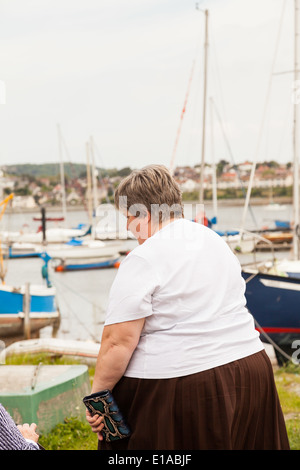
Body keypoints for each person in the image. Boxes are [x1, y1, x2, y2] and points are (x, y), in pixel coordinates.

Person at [86, 164, 290, 450]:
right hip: (250, 366)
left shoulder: (144, 258)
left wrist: (97, 396)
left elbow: (117, 342)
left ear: (141, 214)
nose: (129, 229)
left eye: (128, 218)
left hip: (189, 381)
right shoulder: (214, 241)